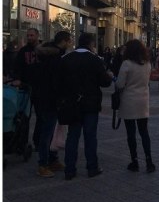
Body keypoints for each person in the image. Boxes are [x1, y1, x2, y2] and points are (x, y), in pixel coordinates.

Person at [57, 33, 113, 180]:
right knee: (90, 137)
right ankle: (92, 167)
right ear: (90, 44)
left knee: (72, 137)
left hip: (72, 104)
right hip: (91, 104)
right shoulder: (95, 60)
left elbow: (59, 82)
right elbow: (105, 82)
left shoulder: (66, 59)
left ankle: (69, 169)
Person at [31, 31, 73, 178]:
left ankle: (52, 159)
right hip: (50, 99)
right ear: (64, 41)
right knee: (47, 132)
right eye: (70, 41)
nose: (71, 43)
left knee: (53, 131)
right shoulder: (55, 57)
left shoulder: (48, 54)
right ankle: (43, 164)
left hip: (44, 96)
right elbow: (56, 81)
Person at [115, 39, 156, 173]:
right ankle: (149, 161)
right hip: (143, 100)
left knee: (131, 133)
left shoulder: (126, 64)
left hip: (129, 100)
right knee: (144, 132)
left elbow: (120, 84)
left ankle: (135, 161)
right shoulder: (147, 64)